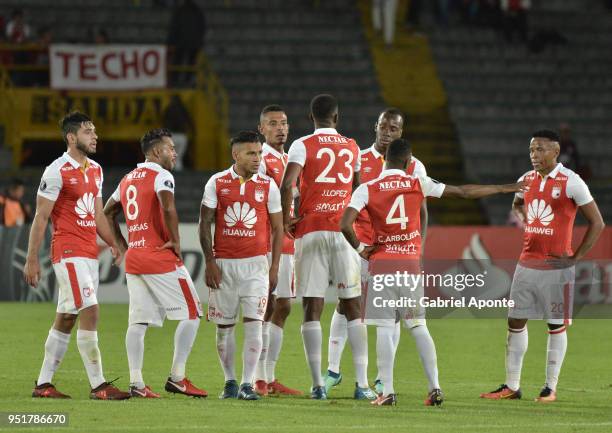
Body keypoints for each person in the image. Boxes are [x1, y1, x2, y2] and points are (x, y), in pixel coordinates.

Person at [342, 138, 526, 406]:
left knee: (383, 329)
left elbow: (344, 223)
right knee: (418, 326)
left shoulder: (367, 188)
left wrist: (360, 249)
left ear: (384, 160)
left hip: (382, 265)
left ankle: (388, 392)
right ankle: (435, 387)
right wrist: (502, 187)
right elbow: (463, 192)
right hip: (410, 265)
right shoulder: (418, 183)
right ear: (408, 162)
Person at [481, 130, 604, 403]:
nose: (534, 155)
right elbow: (517, 204)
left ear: (555, 151)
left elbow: (597, 222)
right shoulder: (525, 180)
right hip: (526, 263)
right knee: (515, 321)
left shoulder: (572, 182)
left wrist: (575, 257)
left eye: (540, 150)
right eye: (531, 150)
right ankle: (512, 386)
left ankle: (550, 387)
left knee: (555, 324)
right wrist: (529, 223)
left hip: (556, 267)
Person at [324, 108, 437, 404]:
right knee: (347, 303)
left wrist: (419, 248)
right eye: (384, 126)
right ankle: (333, 369)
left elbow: (422, 212)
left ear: (401, 133)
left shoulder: (415, 166)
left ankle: (380, 379)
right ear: (375, 126)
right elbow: (347, 199)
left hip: (390, 253)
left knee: (393, 316)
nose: (388, 132)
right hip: (359, 247)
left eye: (394, 129)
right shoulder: (357, 158)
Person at [23, 111, 130, 400]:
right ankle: (99, 386)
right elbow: (41, 217)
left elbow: (97, 213)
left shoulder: (95, 169)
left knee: (66, 318)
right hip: (67, 250)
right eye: (87, 131)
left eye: (94, 131)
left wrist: (113, 243)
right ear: (72, 137)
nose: (95, 135)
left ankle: (43, 384)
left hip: (88, 253)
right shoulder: (56, 170)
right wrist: (32, 258)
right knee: (91, 310)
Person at [280, 94, 375, 400]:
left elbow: (287, 185)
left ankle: (318, 386)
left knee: (312, 307)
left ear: (311, 118)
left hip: (310, 230)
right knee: (352, 306)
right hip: (342, 232)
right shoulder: (351, 146)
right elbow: (359, 188)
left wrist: (287, 219)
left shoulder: (301, 145)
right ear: (337, 118)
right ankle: (362, 385)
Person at [103, 128, 206, 399]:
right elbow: (168, 206)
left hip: (135, 257)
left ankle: (137, 384)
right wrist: (175, 240)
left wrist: (121, 246)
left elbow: (107, 212)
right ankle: (177, 378)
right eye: (170, 148)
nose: (174, 153)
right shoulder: (162, 175)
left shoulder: (127, 179)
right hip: (158, 255)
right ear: (156, 152)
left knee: (137, 322)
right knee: (193, 314)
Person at [199, 130, 284, 401]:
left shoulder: (268, 185)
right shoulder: (217, 182)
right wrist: (210, 261)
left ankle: (248, 383)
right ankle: (230, 381)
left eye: (259, 153)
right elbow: (205, 223)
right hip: (224, 264)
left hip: (256, 266)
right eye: (251, 153)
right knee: (224, 329)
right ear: (236, 155)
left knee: (255, 324)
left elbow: (278, 228)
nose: (258, 158)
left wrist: (274, 267)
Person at [253, 105, 302, 396]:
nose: (280, 128)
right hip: (268, 241)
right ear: (262, 129)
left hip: (288, 241)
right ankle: (257, 376)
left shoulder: (289, 159)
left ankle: (270, 377)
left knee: (283, 305)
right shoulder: (260, 159)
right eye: (273, 124)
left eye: (283, 123)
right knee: (266, 306)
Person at [163, 94, 194, 171]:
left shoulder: (168, 109)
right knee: (179, 158)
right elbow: (189, 121)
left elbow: (164, 121)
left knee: (171, 157)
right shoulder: (183, 109)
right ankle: (179, 175)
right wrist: (193, 131)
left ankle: (169, 175)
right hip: (182, 136)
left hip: (171, 136)